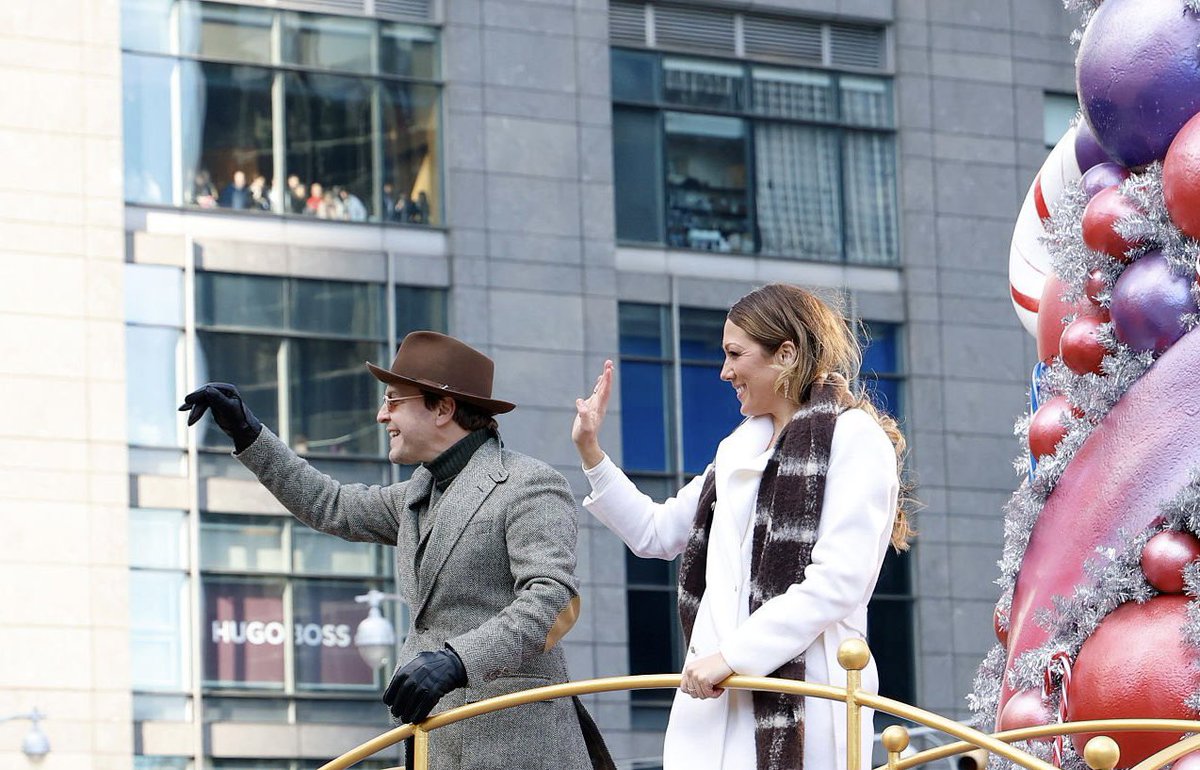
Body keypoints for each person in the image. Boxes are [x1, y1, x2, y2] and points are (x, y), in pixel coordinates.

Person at [179, 331, 613, 770]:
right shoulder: (417, 495)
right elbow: (332, 506)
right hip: (435, 746)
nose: (380, 415)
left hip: (517, 748)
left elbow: (550, 599)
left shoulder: (528, 485)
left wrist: (458, 660)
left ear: (443, 408)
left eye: (393, 401)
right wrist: (247, 432)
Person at [571, 283, 913, 770]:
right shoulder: (736, 449)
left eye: (735, 354)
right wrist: (591, 451)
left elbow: (838, 581)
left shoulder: (856, 439)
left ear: (786, 354)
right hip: (713, 700)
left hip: (800, 696)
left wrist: (733, 657)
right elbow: (656, 532)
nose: (724, 371)